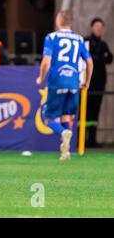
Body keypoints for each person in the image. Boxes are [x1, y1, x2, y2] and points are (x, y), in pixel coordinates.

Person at [36, 11, 93, 161]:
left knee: (47, 117)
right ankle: (65, 152)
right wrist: (87, 81)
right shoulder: (79, 39)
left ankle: (62, 132)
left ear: (58, 20)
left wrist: (41, 77)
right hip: (74, 83)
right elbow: (89, 62)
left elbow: (46, 61)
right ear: (71, 22)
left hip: (57, 81)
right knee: (66, 116)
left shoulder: (52, 37)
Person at [84, 18, 113, 147]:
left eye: (101, 27)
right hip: (87, 83)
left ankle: (92, 140)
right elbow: (84, 58)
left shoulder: (103, 44)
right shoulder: (85, 41)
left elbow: (109, 58)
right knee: (85, 110)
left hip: (99, 84)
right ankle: (81, 140)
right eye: (97, 26)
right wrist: (100, 58)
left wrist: (100, 58)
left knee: (95, 111)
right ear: (92, 27)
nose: (99, 29)